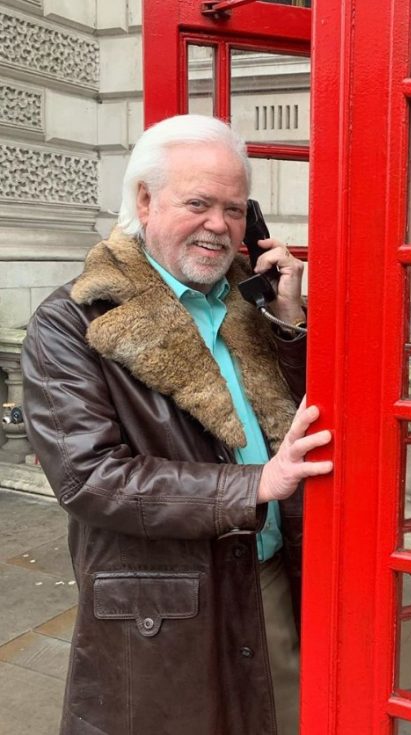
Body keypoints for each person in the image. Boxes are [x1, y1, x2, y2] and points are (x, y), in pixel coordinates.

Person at [20, 114, 332, 735]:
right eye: (198, 203)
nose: (219, 226)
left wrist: (292, 320)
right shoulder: (70, 322)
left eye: (236, 209)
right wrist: (255, 486)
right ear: (144, 200)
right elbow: (90, 478)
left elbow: (315, 420)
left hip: (275, 580)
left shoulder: (255, 303)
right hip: (158, 608)